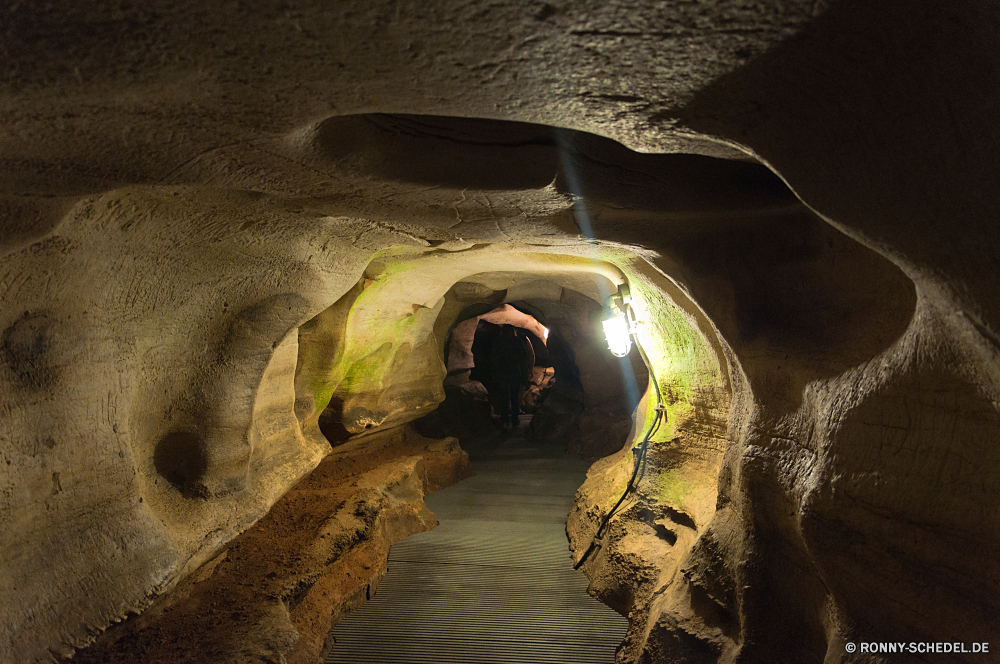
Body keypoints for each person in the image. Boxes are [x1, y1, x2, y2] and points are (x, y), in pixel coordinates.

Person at [490, 324, 535, 428]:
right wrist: (526, 373)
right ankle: (514, 419)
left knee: (504, 397)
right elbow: (524, 358)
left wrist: (494, 371)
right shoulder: (517, 341)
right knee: (514, 396)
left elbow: (493, 357)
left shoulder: (499, 341)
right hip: (515, 372)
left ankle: (505, 419)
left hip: (503, 373)